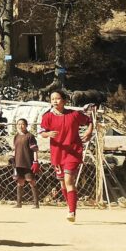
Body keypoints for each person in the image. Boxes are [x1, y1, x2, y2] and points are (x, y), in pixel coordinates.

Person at [39, 90, 95, 222]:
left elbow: (89, 120)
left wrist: (89, 130)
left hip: (73, 152)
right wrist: (48, 134)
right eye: (52, 99)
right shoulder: (47, 116)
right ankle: (70, 205)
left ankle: (72, 212)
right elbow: (41, 132)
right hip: (58, 153)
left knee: (69, 181)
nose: (54, 101)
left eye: (57, 98)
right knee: (63, 184)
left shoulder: (74, 114)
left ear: (64, 100)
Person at [11, 118, 40, 208]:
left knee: (31, 181)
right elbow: (15, 149)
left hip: (28, 162)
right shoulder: (16, 136)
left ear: (26, 125)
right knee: (20, 182)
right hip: (18, 163)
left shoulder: (30, 136)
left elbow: (35, 150)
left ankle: (36, 203)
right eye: (19, 124)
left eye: (23, 124)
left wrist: (35, 161)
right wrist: (12, 157)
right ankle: (19, 203)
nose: (20, 126)